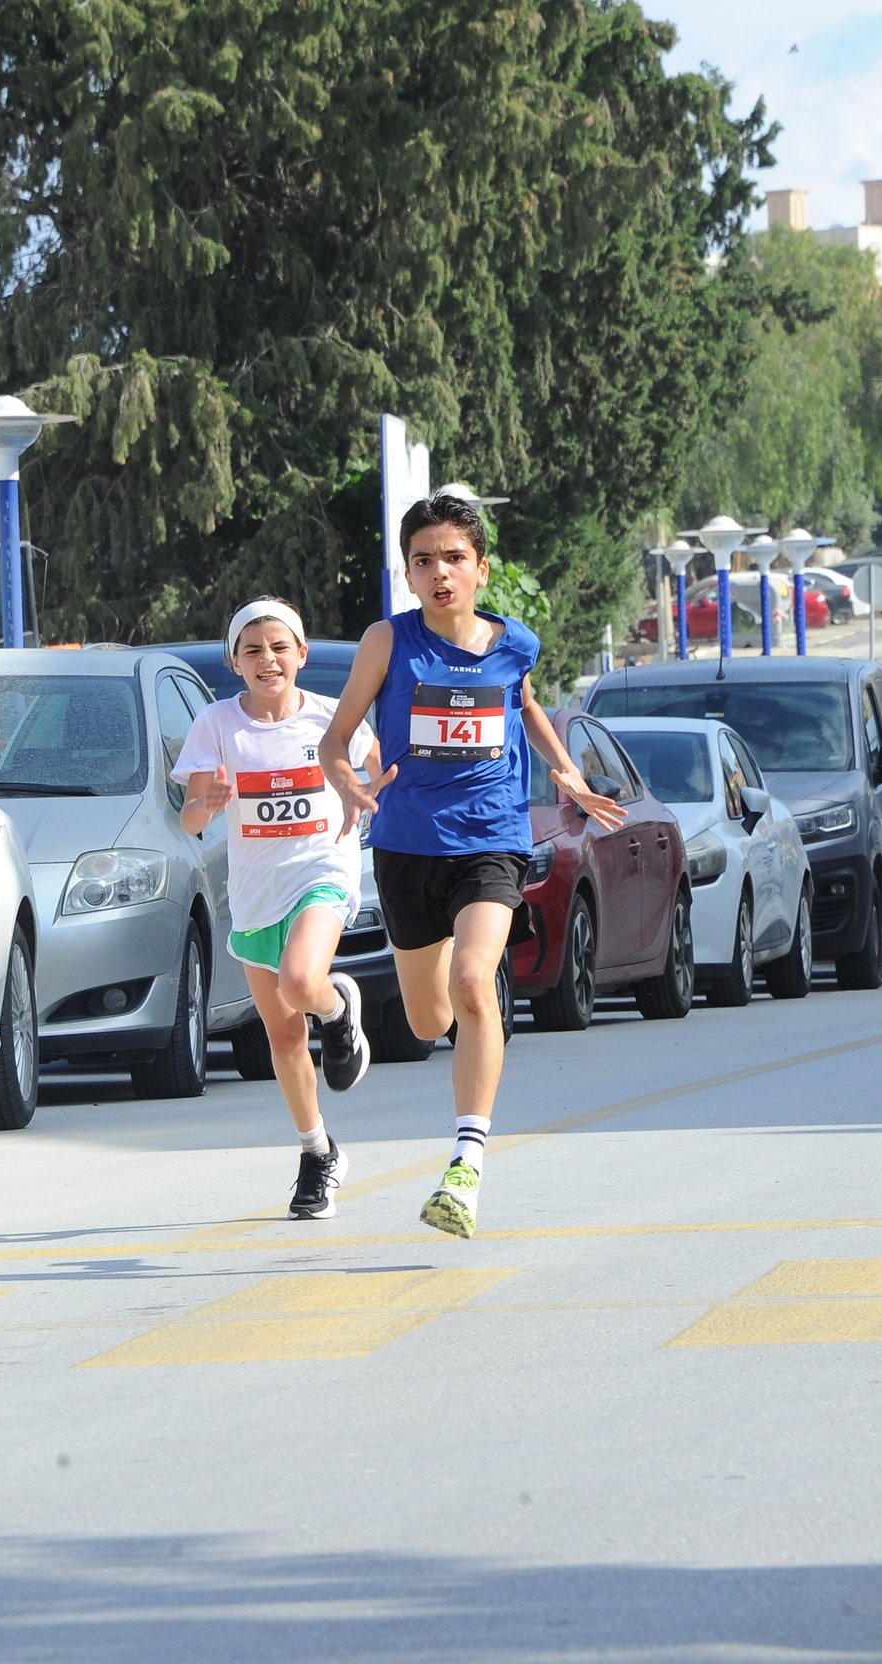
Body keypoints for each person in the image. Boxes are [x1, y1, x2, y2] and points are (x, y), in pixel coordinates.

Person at [322, 495, 626, 1239]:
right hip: (407, 845)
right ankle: (353, 1007)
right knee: (428, 1020)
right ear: (408, 574)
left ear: (481, 570)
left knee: (471, 982)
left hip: (492, 839)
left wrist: (567, 772)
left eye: (454, 558)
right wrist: (349, 783)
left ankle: (466, 1166)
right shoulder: (387, 643)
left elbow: (524, 703)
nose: (440, 573)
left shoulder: (514, 641)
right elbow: (335, 739)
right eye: (423, 560)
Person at [175, 599, 378, 1219]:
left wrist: (368, 793)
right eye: (253, 650)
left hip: (323, 870)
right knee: (285, 1036)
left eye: (280, 647)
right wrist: (209, 802)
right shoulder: (216, 724)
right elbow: (190, 819)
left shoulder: (331, 716)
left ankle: (337, 1009)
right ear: (235, 661)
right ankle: (318, 1154)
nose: (268, 659)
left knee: (299, 979)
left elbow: (375, 768)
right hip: (256, 891)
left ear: (302, 655)